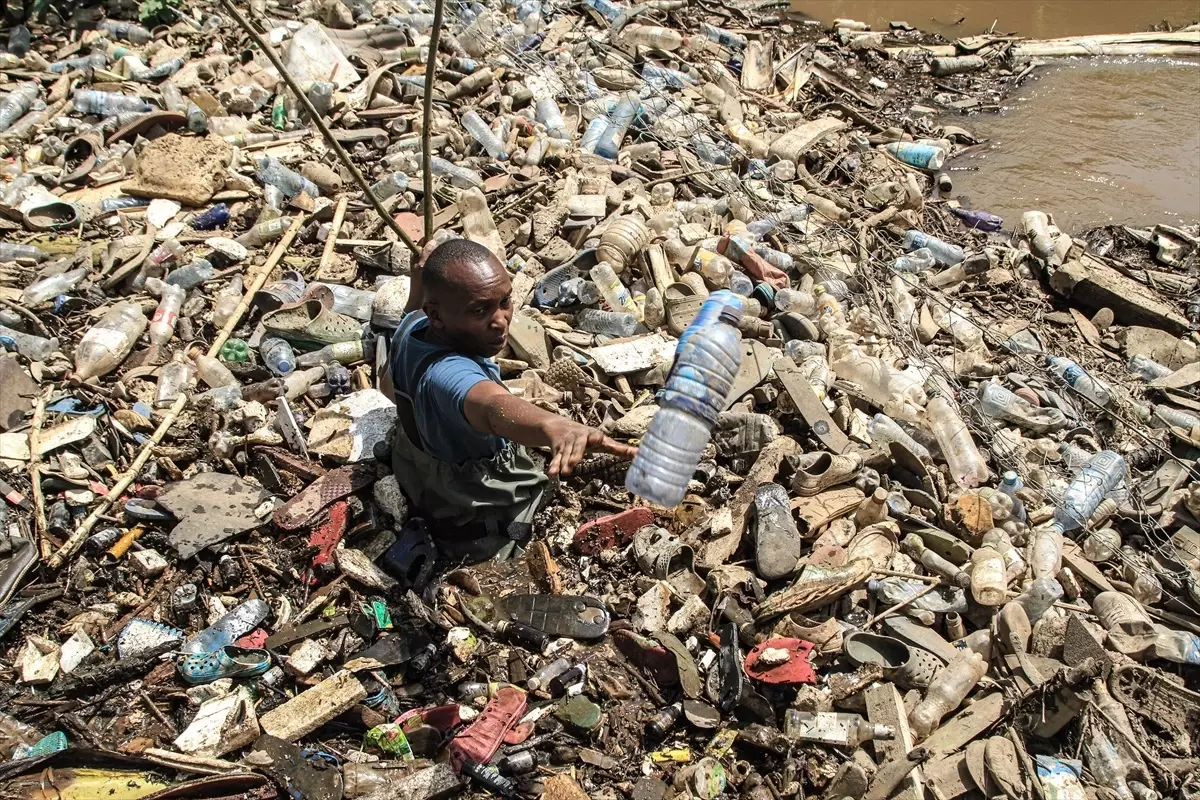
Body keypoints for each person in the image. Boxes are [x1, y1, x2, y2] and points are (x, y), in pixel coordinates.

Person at [385, 237, 636, 557]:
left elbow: (405, 332)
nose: (501, 320)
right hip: (469, 507)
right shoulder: (446, 376)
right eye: (479, 310)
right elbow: (491, 406)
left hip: (417, 464)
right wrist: (554, 425)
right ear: (436, 315)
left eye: (505, 301)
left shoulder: (413, 326)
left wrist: (418, 280)